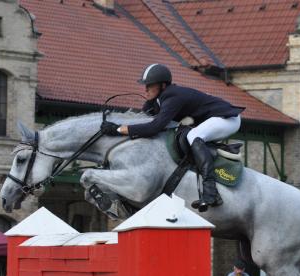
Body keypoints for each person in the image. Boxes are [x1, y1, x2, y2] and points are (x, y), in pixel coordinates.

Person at [100, 63, 244, 212]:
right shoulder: (159, 99)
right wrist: (119, 124)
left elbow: (154, 127)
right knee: (190, 134)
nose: (146, 89)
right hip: (213, 118)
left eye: (150, 85)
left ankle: (211, 192)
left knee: (194, 136)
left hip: (227, 118)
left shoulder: (172, 97)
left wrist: (118, 129)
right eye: (145, 86)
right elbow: (143, 120)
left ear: (162, 85)